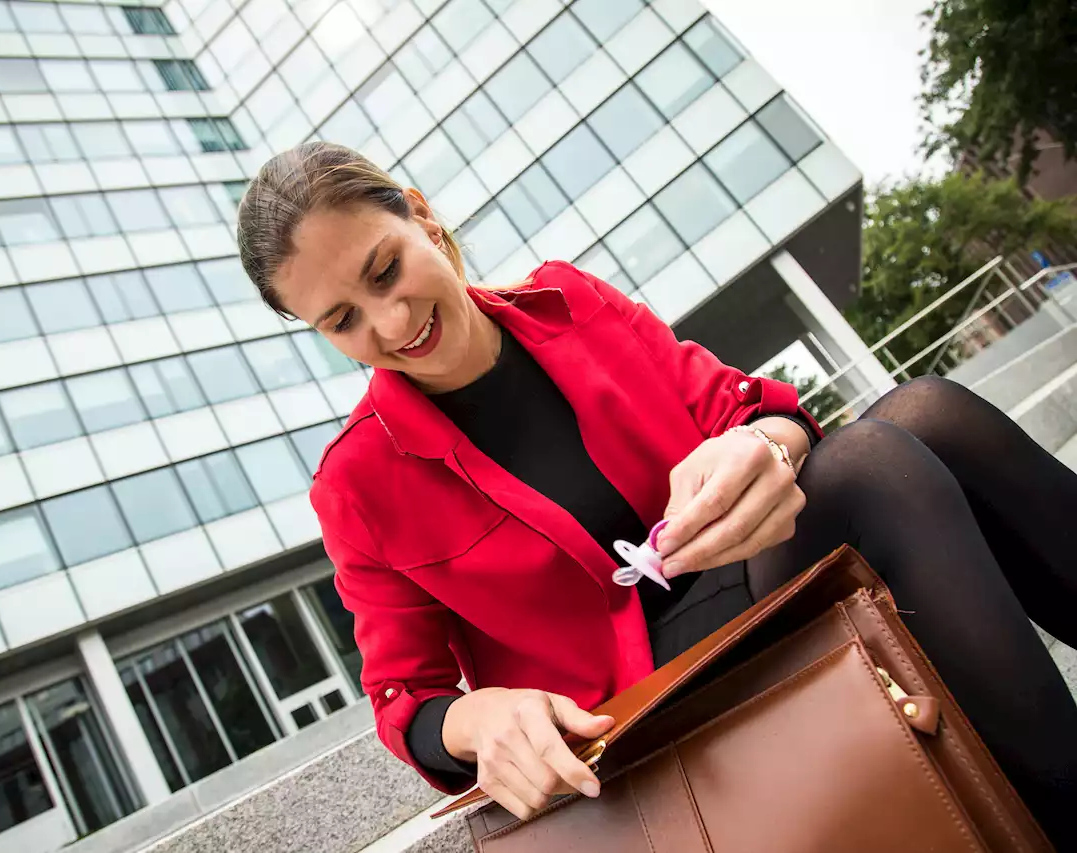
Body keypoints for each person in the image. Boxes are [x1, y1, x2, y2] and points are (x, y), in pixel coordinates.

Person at [236, 141, 1077, 846]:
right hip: (635, 711)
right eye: (341, 321)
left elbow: (748, 407)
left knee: (925, 417)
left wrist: (762, 448)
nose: (388, 325)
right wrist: (475, 719)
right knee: (877, 457)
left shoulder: (573, 301)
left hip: (758, 580)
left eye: (384, 271)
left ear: (421, 215)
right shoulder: (355, 483)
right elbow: (402, 694)